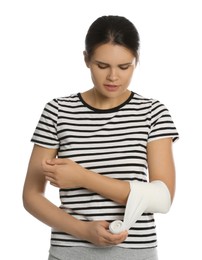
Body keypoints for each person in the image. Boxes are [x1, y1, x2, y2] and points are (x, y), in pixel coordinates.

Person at [22, 15, 179, 260]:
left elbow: (162, 198)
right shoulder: (57, 111)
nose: (113, 77)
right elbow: (31, 196)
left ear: (136, 61)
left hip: (135, 252)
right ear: (86, 59)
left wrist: (82, 177)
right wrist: (83, 230)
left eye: (124, 67)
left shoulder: (153, 112)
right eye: (102, 66)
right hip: (69, 252)